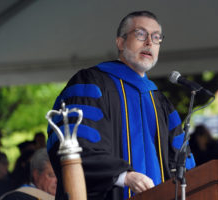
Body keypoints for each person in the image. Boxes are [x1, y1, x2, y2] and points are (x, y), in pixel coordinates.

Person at [47, 10, 195, 200]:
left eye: (156, 37)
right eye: (141, 34)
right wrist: (123, 176)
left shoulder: (162, 103)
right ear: (120, 42)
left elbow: (183, 164)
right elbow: (72, 145)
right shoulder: (90, 83)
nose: (149, 42)